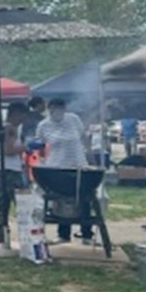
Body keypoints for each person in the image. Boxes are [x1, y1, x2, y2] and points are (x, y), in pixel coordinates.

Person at [35, 97, 92, 243]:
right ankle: (63, 234)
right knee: (61, 199)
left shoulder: (73, 119)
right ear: (49, 109)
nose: (56, 112)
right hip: (56, 166)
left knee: (83, 197)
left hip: (78, 164)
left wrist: (89, 154)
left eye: (59, 108)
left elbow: (82, 137)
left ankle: (86, 233)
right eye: (53, 109)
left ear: (64, 109)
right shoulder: (43, 125)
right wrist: (41, 159)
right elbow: (40, 145)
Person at [0, 101, 27, 243]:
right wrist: (26, 147)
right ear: (15, 114)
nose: (22, 120)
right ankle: (23, 235)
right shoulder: (9, 129)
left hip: (8, 169)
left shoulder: (7, 128)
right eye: (22, 116)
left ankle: (3, 237)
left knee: (3, 205)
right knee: (20, 205)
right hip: (9, 171)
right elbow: (8, 151)